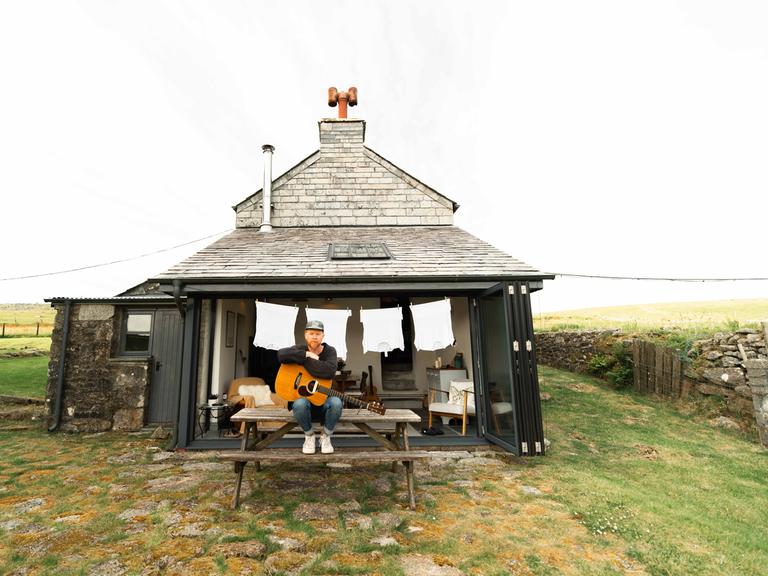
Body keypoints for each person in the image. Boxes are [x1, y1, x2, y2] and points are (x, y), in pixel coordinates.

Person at [277, 320, 342, 454]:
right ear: (306, 335)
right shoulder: (300, 348)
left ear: (323, 336)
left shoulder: (330, 351)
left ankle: (325, 436)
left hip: (323, 403)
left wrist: (305, 361)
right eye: (311, 333)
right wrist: (306, 354)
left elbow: (328, 371)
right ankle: (309, 436)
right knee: (300, 403)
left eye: (318, 334)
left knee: (337, 402)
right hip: (304, 404)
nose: (314, 336)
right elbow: (281, 354)